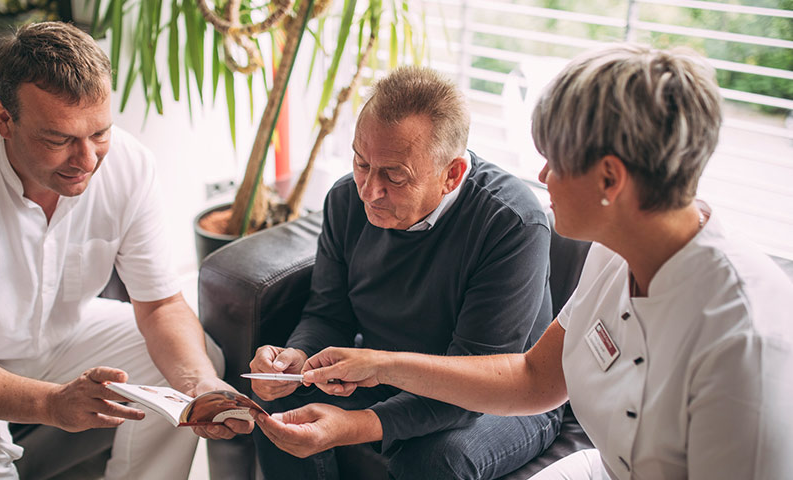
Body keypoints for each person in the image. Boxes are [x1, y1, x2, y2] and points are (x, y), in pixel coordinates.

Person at [267, 44, 793, 479]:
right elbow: (534, 379)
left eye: (555, 161)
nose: (541, 178)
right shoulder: (613, 254)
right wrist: (374, 364)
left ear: (610, 179)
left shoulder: (748, 342)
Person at [0, 21, 251, 479]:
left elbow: (161, 303)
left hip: (65, 332)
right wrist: (50, 403)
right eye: (58, 139)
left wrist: (200, 385)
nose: (87, 161)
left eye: (99, 133)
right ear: (4, 118)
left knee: (197, 371)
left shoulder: (129, 164)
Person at [249, 66, 563, 479]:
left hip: (500, 398)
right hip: (382, 370)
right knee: (277, 411)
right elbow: (328, 314)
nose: (368, 190)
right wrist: (296, 359)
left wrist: (357, 425)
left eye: (394, 176)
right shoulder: (346, 198)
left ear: (452, 175)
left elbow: (477, 380)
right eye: (362, 163)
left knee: (433, 460)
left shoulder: (511, 223)